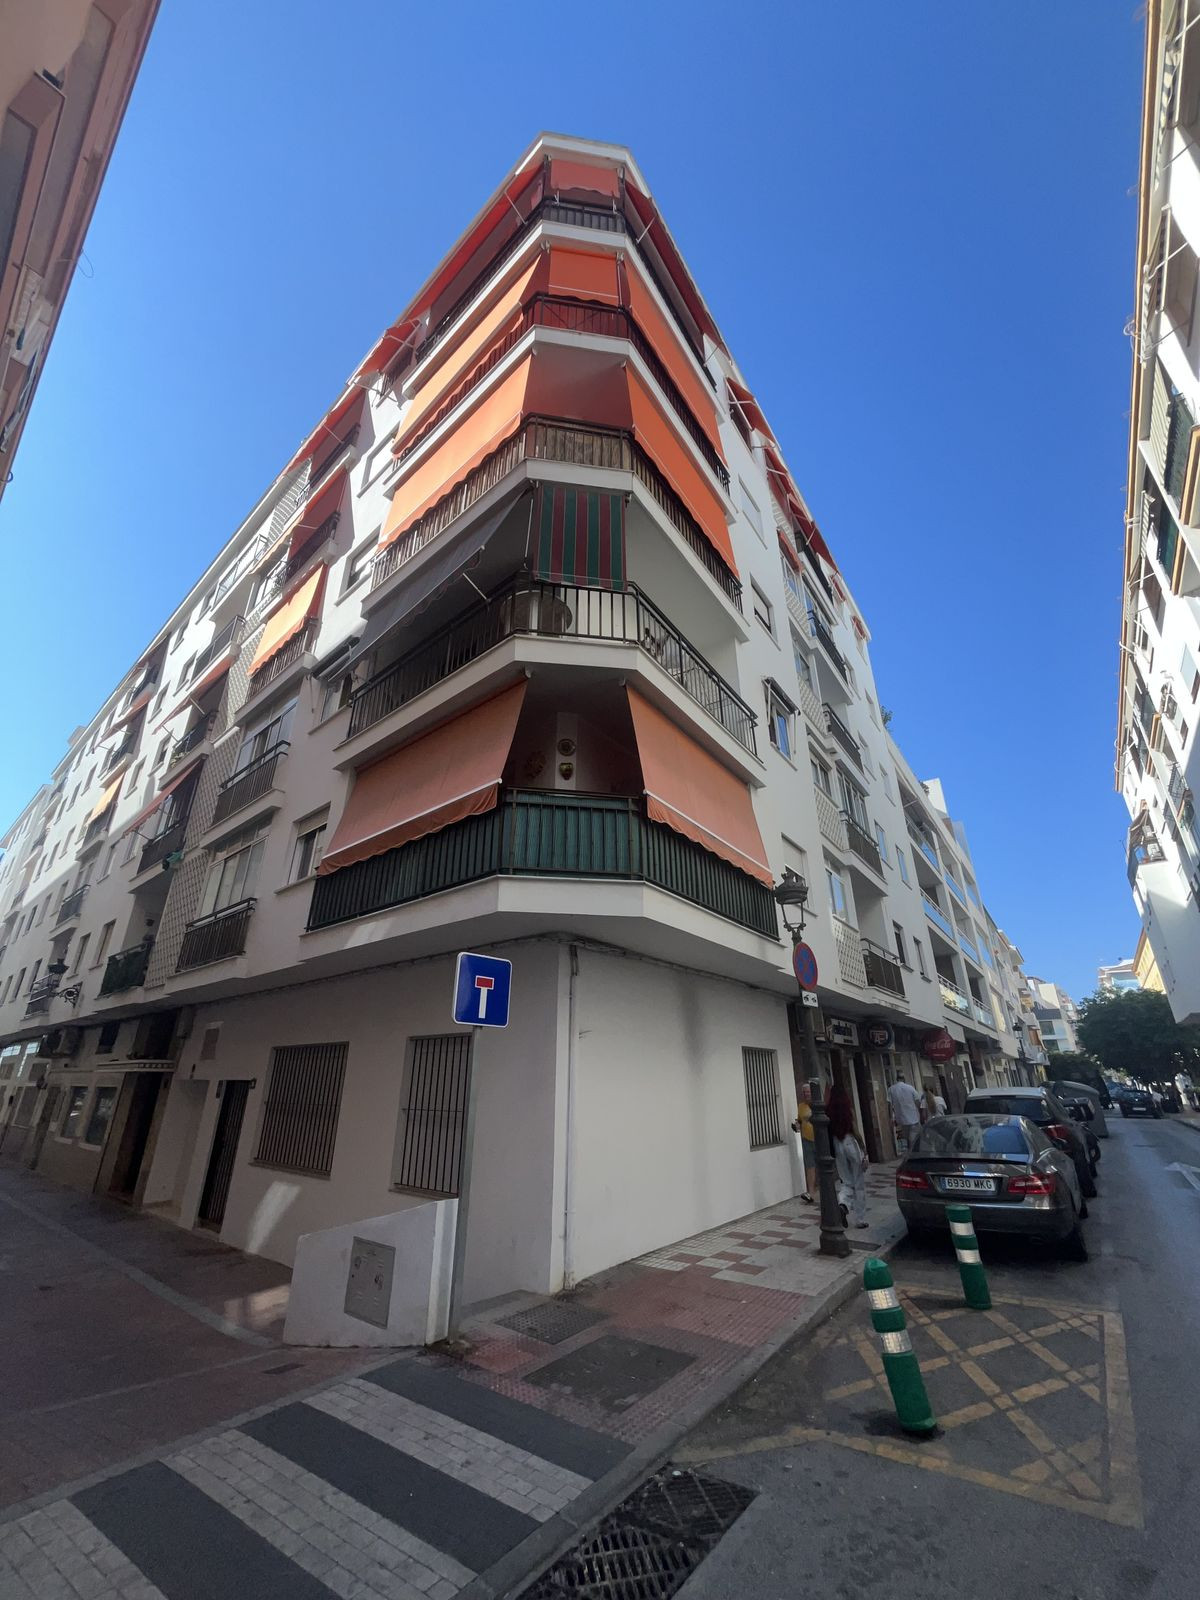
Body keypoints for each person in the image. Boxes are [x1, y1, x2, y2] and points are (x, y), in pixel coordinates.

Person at [827, 1086, 869, 1228]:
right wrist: (863, 1148)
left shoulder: (828, 1112)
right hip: (850, 1141)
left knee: (846, 1180)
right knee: (858, 1181)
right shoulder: (847, 1110)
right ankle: (860, 1219)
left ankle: (843, 1204)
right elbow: (855, 1130)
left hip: (837, 1144)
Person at [887, 1073, 923, 1153]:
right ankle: (913, 1153)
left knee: (905, 1138)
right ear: (904, 1079)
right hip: (913, 1118)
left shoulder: (891, 1089)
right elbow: (917, 1101)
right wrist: (920, 1113)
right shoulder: (910, 1088)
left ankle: (908, 1152)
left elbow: (889, 1105)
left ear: (896, 1079)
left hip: (901, 1120)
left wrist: (891, 1118)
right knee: (913, 1139)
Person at [791, 1093, 817, 1202]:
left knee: (821, 1165)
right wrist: (797, 1125)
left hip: (818, 1140)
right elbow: (799, 1121)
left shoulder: (817, 1105)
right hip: (806, 1139)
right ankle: (810, 1193)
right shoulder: (801, 1106)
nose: (806, 1094)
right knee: (810, 1166)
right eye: (804, 1092)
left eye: (808, 1092)